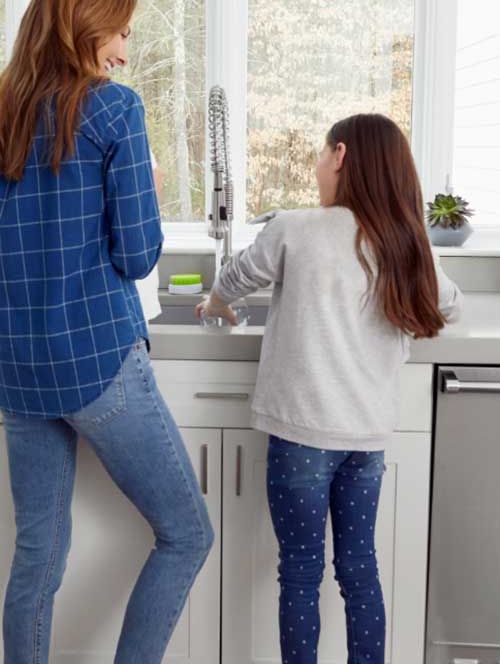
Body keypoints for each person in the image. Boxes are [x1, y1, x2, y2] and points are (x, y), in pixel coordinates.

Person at [0, 0, 213, 664]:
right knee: (189, 533)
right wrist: (145, 187)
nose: (125, 51)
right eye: (121, 32)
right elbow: (137, 256)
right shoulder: (115, 109)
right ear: (85, 26)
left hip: (19, 373)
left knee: (37, 553)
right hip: (100, 366)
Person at [198, 113, 462, 664]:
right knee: (359, 570)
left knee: (299, 573)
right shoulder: (405, 242)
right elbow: (450, 303)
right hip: (364, 442)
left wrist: (217, 304)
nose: (317, 166)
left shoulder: (296, 228)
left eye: (321, 153)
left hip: (301, 437)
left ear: (340, 155)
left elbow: (237, 277)